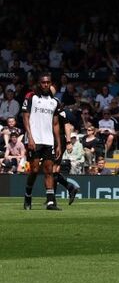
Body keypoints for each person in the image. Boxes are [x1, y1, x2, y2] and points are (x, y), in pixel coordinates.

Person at [21, 74, 63, 210]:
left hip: (48, 140)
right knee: (34, 170)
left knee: (49, 170)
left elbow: (56, 124)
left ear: (51, 84)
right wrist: (30, 137)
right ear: (39, 83)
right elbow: (25, 118)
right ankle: (28, 196)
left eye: (48, 82)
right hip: (35, 139)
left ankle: (50, 202)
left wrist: (58, 144)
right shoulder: (31, 97)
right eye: (43, 82)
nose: (45, 85)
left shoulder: (55, 101)